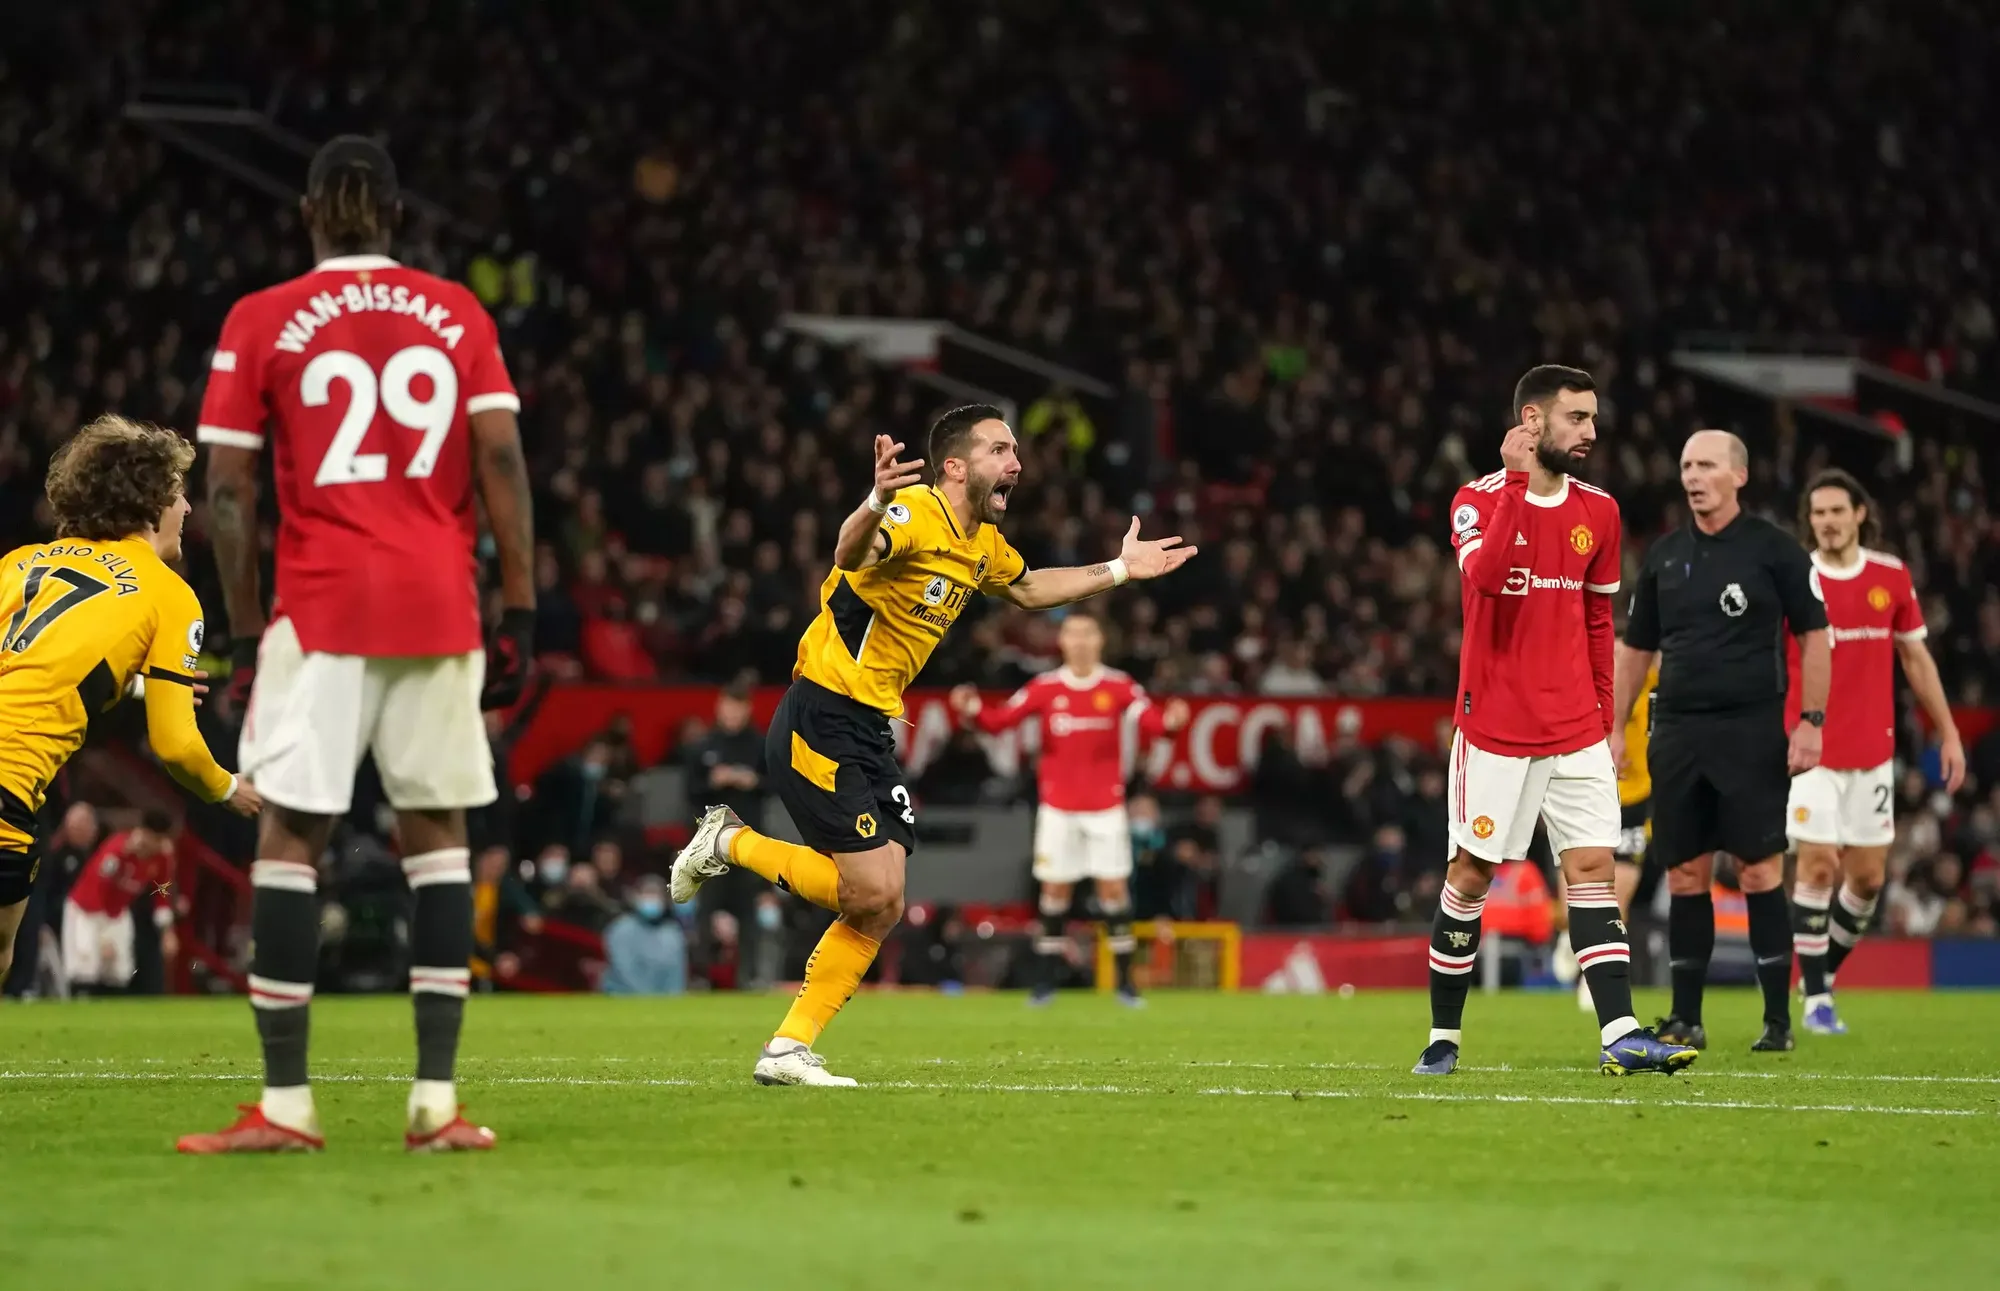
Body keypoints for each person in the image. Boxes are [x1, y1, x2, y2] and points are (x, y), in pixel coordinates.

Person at [179, 136, 536, 1154]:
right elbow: (502, 458)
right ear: (396, 215)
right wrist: (519, 607)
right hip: (438, 604)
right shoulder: (457, 312)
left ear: (308, 213)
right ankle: (435, 1105)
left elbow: (228, 488)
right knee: (438, 836)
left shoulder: (261, 317)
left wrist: (243, 629)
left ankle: (287, 1107)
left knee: (293, 836)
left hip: (323, 606)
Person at [668, 404, 1195, 1086]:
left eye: (1015, 451)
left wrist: (1120, 569)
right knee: (870, 889)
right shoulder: (913, 512)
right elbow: (851, 554)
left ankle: (788, 1047)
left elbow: (1030, 586)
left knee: (883, 904)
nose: (1016, 463)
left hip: (870, 727)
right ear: (955, 466)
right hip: (821, 713)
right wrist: (873, 501)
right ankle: (728, 842)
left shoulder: (982, 543)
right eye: (1000, 450)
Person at [1416, 366, 1695, 1078]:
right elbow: (1485, 579)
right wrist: (1516, 484)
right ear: (1533, 421)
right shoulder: (1477, 500)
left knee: (1594, 870)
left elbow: (1599, 619)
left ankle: (1620, 1033)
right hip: (1495, 726)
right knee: (1470, 875)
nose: (1591, 431)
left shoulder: (1600, 510)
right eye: (1577, 417)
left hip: (1575, 726)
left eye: (1593, 417)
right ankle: (1443, 1037)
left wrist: (1605, 715)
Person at [0, 417, 262, 994]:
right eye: (178, 493)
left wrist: (142, 687)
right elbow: (176, 746)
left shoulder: (22, 563)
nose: (187, 508)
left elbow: (35, 664)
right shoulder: (168, 593)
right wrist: (227, 788)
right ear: (150, 503)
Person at [1612, 429, 1830, 1054]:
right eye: (1686, 465)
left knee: (1759, 870)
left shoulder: (1775, 550)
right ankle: (1686, 1018)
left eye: (1706, 465)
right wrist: (1614, 728)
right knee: (1685, 873)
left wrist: (1811, 721)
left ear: (1739, 474)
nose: (1692, 476)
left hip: (1751, 729)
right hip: (1677, 731)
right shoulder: (1664, 555)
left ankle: (1777, 1021)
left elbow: (1816, 636)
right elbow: (1636, 650)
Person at [1785, 469, 1964, 1035]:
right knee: (1818, 864)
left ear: (1859, 514)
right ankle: (1817, 998)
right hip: (1811, 750)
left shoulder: (1890, 575)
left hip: (1873, 752)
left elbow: (1915, 659)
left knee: (1866, 879)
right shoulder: (1795, 577)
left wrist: (1948, 731)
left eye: (1837, 511)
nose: (1828, 522)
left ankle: (1820, 975)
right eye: (1818, 513)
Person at [949, 609, 1190, 1005]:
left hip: (1105, 808)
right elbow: (1000, 721)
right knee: (1055, 891)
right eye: (1072, 634)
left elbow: (1155, 725)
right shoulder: (1045, 688)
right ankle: (1045, 983)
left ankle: (1126, 985)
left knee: (1114, 890)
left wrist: (1173, 723)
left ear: (1100, 641)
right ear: (1061, 642)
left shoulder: (1119, 686)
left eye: (1087, 633)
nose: (1080, 641)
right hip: (1058, 809)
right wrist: (972, 710)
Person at [62, 810, 179, 995]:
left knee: (119, 971)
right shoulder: (117, 849)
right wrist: (104, 937)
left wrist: (167, 932)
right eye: (157, 839)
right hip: (86, 911)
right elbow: (97, 887)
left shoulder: (162, 858)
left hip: (117, 912)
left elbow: (162, 894)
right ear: (145, 834)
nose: (160, 845)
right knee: (86, 968)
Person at [600, 875, 688, 996]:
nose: (652, 898)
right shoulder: (620, 929)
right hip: (623, 999)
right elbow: (624, 971)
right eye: (647, 893)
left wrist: (673, 1000)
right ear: (636, 896)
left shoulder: (673, 933)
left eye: (657, 894)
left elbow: (676, 974)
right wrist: (647, 1000)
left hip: (664, 1002)